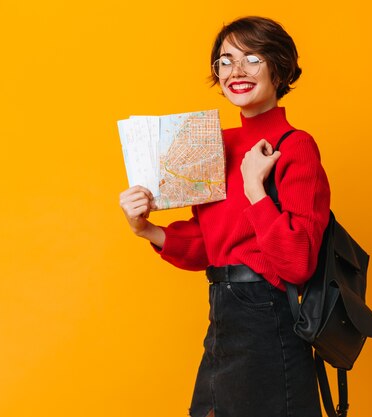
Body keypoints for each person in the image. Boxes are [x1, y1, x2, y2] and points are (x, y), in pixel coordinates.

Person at [119, 16, 330, 417]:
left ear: (279, 67)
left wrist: (255, 190)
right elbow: (208, 244)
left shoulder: (295, 146)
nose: (236, 71)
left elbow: (298, 262)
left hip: (269, 318)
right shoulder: (214, 144)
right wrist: (144, 227)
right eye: (225, 60)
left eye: (252, 58)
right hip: (223, 314)